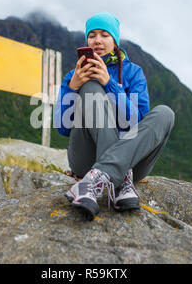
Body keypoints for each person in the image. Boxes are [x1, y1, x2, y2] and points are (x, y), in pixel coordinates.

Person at [54, 11, 175, 221]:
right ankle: (116, 179)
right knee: (90, 85)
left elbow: (137, 122)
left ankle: (100, 178)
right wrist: (72, 88)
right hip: (87, 159)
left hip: (131, 163)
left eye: (104, 34)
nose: (97, 40)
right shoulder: (74, 75)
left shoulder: (133, 73)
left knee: (165, 113)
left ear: (115, 40)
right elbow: (62, 127)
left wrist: (109, 83)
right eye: (92, 35)